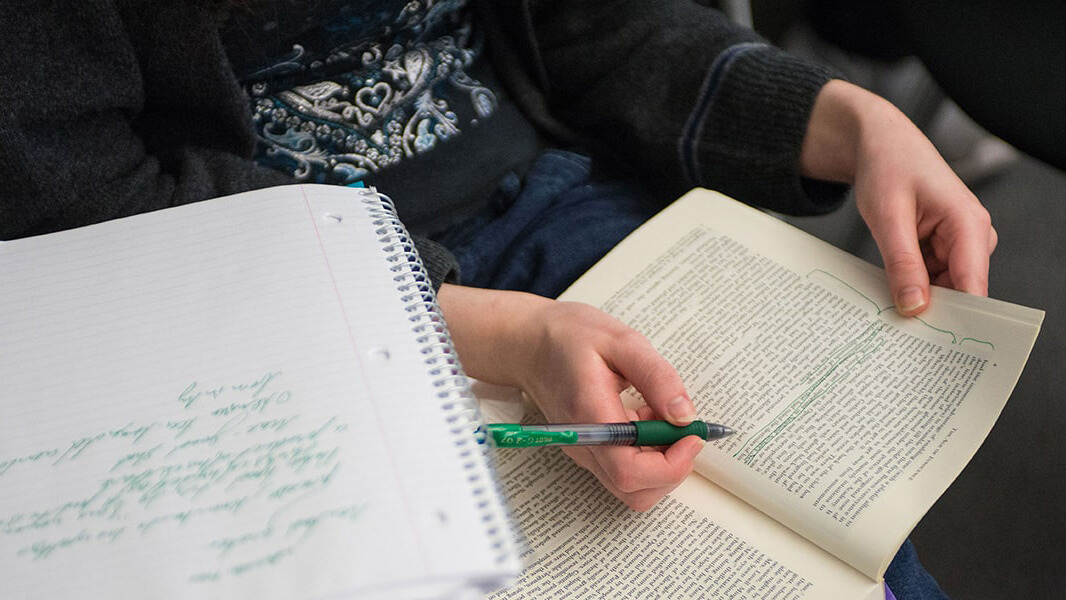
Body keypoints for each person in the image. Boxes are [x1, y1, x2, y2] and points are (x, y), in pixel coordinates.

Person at [1, 1, 991, 596]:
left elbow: (593, 26)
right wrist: (493, 333)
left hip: (565, 194)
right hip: (266, 307)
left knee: (857, 569)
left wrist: (849, 122)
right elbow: (80, 203)